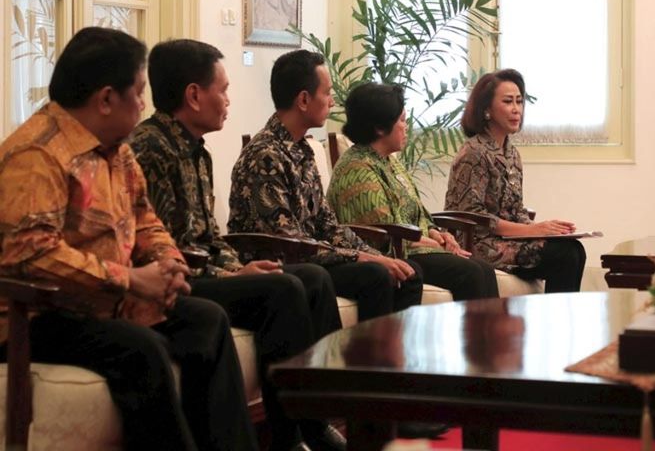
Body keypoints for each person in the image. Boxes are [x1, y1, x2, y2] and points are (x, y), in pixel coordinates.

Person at [0, 27, 257, 451]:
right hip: (39, 316)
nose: (144, 104)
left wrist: (167, 259)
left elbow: (144, 218)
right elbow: (31, 253)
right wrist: (132, 280)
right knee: (144, 351)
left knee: (206, 320)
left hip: (102, 305)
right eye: (138, 93)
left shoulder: (116, 151)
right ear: (105, 99)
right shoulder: (38, 155)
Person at [129, 39, 346, 451]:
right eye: (224, 89)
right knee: (283, 288)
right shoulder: (151, 149)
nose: (229, 100)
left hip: (206, 271)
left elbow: (211, 235)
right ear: (194, 95)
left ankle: (314, 424)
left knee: (312, 279)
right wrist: (228, 272)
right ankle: (289, 437)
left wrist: (233, 268)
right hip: (180, 279)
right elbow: (162, 249)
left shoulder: (196, 151)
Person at [228, 50, 423, 320]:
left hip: (312, 257)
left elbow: (327, 224)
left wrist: (371, 253)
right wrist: (361, 258)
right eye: (327, 93)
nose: (332, 102)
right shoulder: (266, 155)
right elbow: (290, 243)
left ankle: (394, 357)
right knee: (373, 274)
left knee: (406, 271)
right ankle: (362, 359)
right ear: (304, 100)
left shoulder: (303, 149)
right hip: (284, 263)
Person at [327, 82, 499, 301]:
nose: (406, 126)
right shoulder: (357, 169)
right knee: (471, 273)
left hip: (417, 248)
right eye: (401, 120)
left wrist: (439, 234)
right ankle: (470, 336)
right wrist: (437, 244)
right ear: (379, 128)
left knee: (484, 269)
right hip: (396, 254)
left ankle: (487, 336)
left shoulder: (389, 160)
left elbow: (418, 214)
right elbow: (384, 236)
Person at [444, 69, 586, 293]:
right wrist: (533, 230)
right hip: (479, 244)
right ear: (487, 109)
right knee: (564, 255)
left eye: (519, 102)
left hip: (508, 240)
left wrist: (545, 229)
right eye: (508, 101)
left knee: (574, 248)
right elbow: (474, 216)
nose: (516, 109)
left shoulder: (512, 153)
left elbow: (516, 209)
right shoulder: (474, 152)